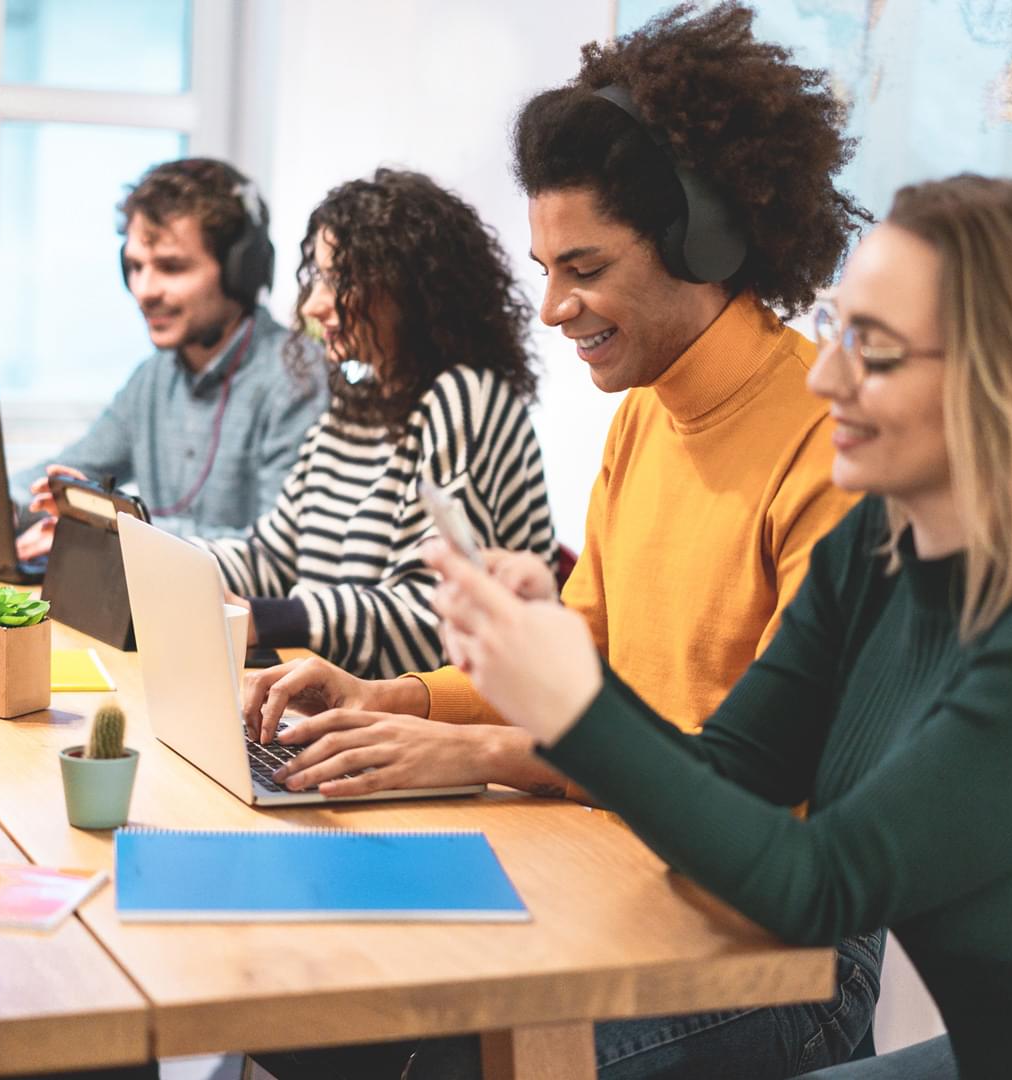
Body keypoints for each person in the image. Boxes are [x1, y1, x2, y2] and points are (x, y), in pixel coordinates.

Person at [425, 175, 1012, 1080]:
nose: (826, 377)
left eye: (876, 348)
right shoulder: (881, 541)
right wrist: (555, 670)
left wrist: (575, 710)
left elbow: (818, 887)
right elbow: (731, 772)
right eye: (834, 328)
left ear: (1010, 379)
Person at [250, 4, 882, 1077]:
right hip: (624, 856)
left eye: (581, 267)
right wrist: (396, 698)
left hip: (783, 947)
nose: (551, 308)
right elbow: (573, 664)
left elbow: (762, 789)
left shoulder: (825, 449)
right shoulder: (644, 417)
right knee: (319, 1014)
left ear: (704, 240)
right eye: (545, 267)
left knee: (437, 1059)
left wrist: (485, 753)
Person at [188, 168, 555, 679]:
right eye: (316, 278)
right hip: (346, 703)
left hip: (429, 723)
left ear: (408, 290)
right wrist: (156, 557)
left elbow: (431, 615)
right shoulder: (351, 410)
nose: (314, 304)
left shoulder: (464, 398)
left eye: (338, 280)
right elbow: (270, 555)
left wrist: (268, 618)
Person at [12, 158, 327, 555]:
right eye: (134, 267)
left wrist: (114, 527)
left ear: (239, 270)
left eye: (171, 267)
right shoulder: (154, 377)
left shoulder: (296, 378)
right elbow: (72, 474)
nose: (144, 290)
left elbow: (276, 554)